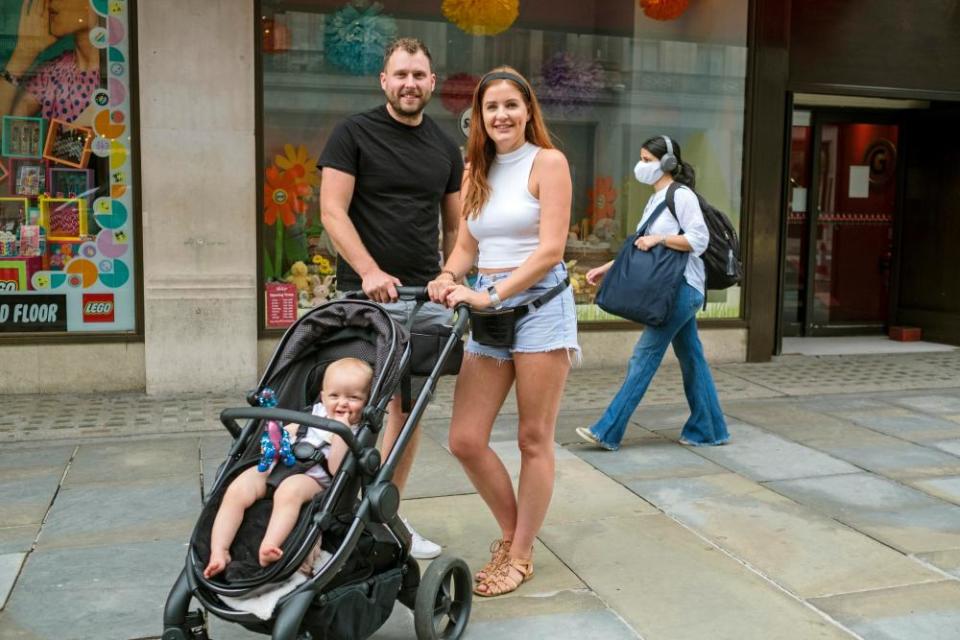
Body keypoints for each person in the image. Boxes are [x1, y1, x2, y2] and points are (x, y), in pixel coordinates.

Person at [428, 66, 578, 597]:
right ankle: (518, 534)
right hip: (488, 315)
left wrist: (489, 293)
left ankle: (517, 553)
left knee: (532, 438)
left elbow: (550, 250)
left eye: (511, 104)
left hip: (539, 309)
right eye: (492, 107)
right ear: (479, 117)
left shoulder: (549, 162)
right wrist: (449, 275)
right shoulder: (476, 170)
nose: (502, 115)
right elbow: (468, 248)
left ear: (528, 110)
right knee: (465, 439)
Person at [318, 37, 463, 559]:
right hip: (363, 296)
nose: (409, 83)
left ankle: (386, 517)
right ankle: (325, 511)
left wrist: (449, 275)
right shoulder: (352, 134)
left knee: (408, 411)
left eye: (419, 75)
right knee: (349, 405)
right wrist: (369, 270)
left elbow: (458, 225)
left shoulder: (446, 147)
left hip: (422, 299)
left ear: (431, 83)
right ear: (384, 80)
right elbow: (333, 211)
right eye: (400, 74)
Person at [576, 135, 729, 451]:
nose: (641, 165)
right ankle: (709, 429)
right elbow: (640, 245)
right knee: (693, 359)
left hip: (680, 289)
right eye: (642, 158)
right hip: (675, 290)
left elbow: (698, 240)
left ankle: (608, 430)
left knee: (644, 356)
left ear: (668, 163)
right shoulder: (656, 198)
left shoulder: (681, 195)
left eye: (647, 160)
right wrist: (606, 268)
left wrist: (659, 239)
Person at [204, 357, 373, 579]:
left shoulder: (356, 430)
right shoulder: (315, 412)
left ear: (367, 401)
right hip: (283, 463)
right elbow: (291, 430)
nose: (342, 403)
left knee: (289, 491)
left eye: (353, 398)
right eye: (334, 396)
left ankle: (270, 545)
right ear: (322, 396)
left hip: (314, 477)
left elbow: (336, 468)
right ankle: (219, 551)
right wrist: (277, 440)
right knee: (237, 488)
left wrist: (342, 431)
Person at [1, 0, 102, 125]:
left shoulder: (121, 71)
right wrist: (23, 54)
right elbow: (9, 131)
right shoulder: (53, 73)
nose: (46, 2)